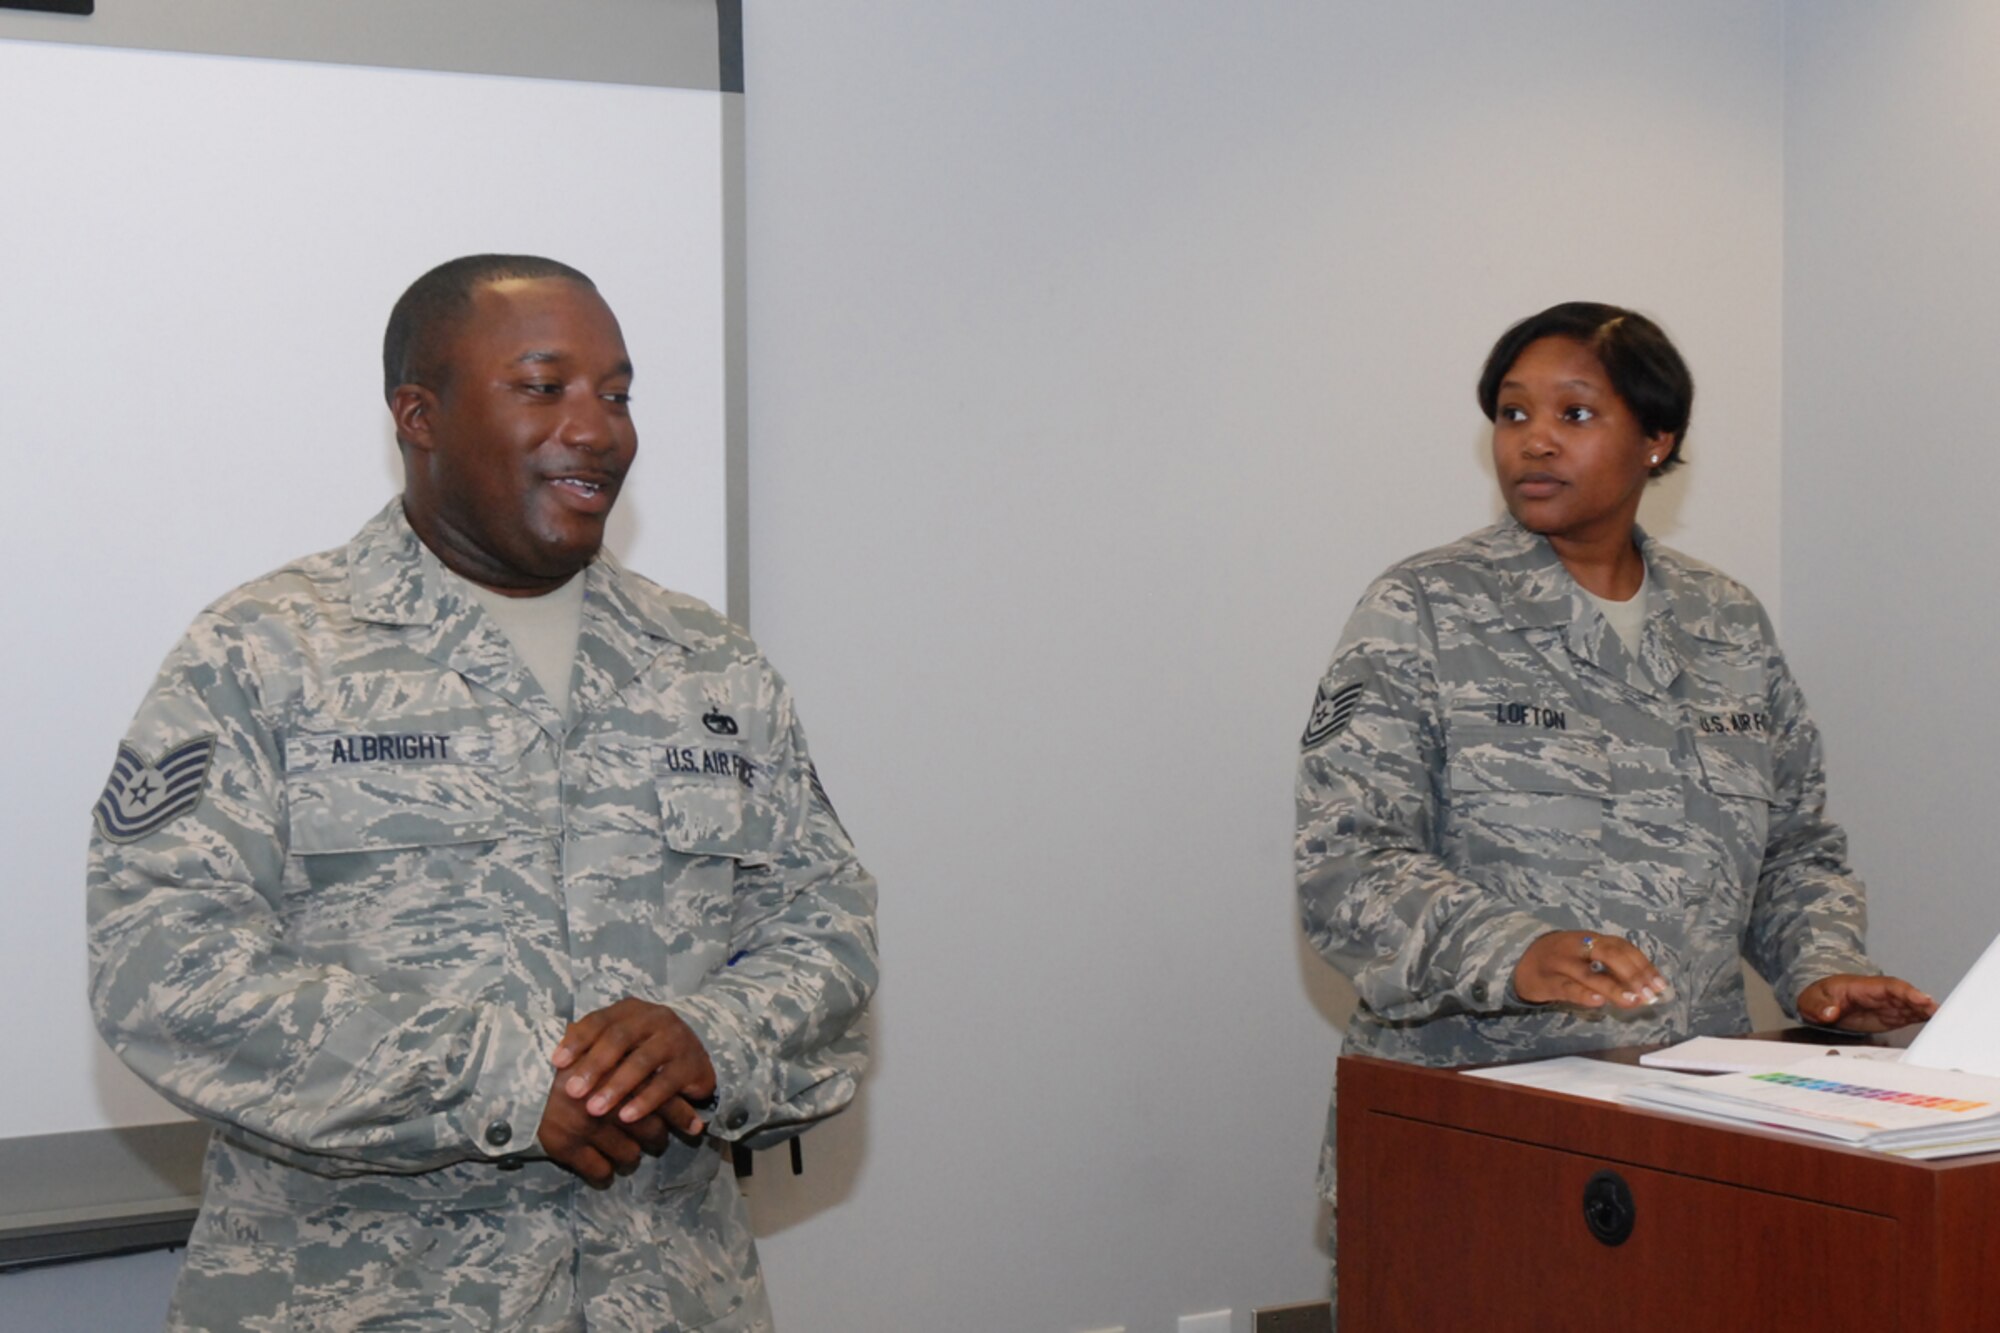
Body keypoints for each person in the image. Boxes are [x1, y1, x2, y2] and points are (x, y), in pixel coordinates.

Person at [88, 254, 878, 1331]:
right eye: (544, 387)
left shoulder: (707, 664)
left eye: (617, 392)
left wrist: (711, 1037)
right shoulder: (265, 652)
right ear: (419, 414)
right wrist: (504, 1084)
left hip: (671, 1296)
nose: (598, 428)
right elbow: (162, 970)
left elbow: (825, 933)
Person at [1295, 301, 1933, 1307]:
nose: (1533, 440)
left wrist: (1821, 970)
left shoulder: (1724, 622)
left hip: (1688, 1137)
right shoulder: (1420, 608)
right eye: (1510, 414)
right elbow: (1346, 865)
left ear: (1656, 439)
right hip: (1471, 1133)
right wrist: (1514, 948)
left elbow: (1792, 846)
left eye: (1574, 414)